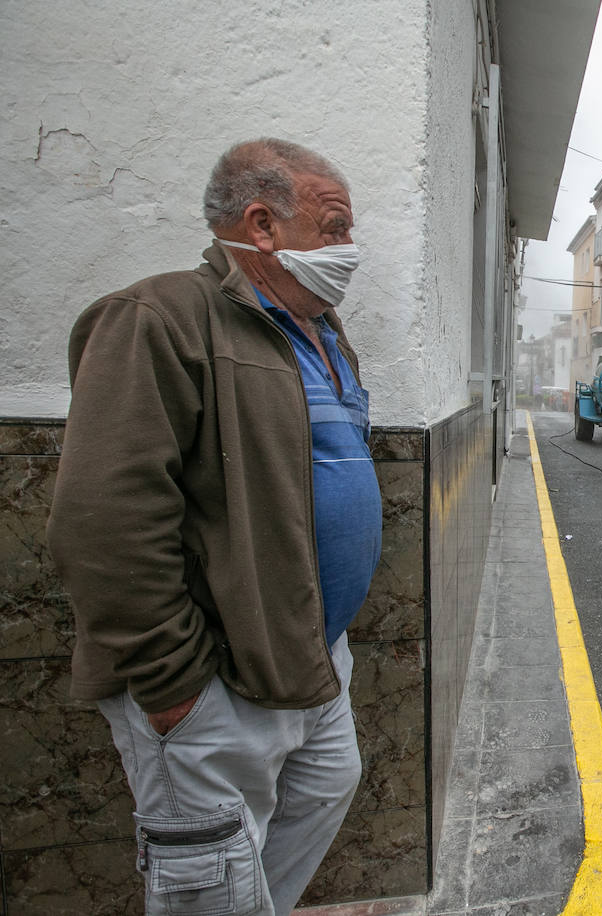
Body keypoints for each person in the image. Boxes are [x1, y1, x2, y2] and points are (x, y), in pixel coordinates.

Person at [47, 138, 382, 914]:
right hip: (212, 676)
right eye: (334, 227)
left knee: (327, 788)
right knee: (211, 878)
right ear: (261, 226)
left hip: (309, 658)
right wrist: (173, 687)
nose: (349, 250)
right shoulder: (158, 319)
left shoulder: (325, 334)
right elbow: (102, 521)